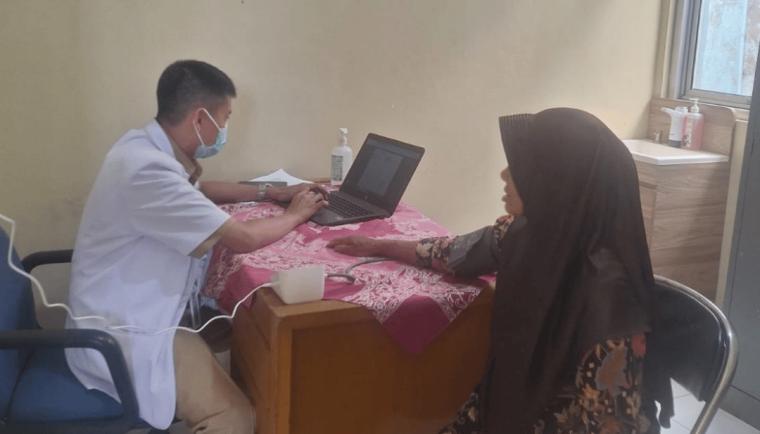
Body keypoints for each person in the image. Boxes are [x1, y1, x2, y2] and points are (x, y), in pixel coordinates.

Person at [328, 108, 670, 433]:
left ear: (558, 181)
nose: (505, 175)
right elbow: (450, 252)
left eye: (524, 166)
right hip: (515, 409)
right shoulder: (527, 234)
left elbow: (608, 425)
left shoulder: (609, 303)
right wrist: (379, 245)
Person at [65, 60, 327, 433]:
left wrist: (272, 192)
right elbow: (244, 238)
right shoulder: (147, 171)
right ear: (200, 118)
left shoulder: (142, 146)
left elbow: (200, 190)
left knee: (246, 338)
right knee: (236, 416)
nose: (225, 129)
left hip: (139, 307)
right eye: (225, 118)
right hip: (127, 331)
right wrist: (297, 214)